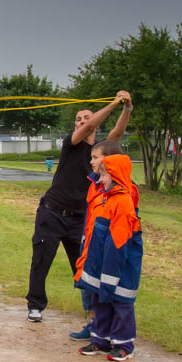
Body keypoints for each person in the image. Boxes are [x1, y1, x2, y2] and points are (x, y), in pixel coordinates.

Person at [26, 91, 133, 322]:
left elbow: (117, 133)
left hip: (79, 218)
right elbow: (89, 128)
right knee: (41, 261)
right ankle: (35, 305)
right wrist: (114, 102)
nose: (82, 122)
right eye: (78, 119)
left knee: (85, 267)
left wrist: (127, 108)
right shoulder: (71, 143)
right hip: (52, 213)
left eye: (86, 118)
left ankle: (93, 315)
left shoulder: (101, 152)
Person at [69, 140, 140, 340]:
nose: (91, 162)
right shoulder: (96, 183)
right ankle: (96, 327)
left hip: (108, 246)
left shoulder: (123, 192)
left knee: (110, 293)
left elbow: (122, 228)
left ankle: (114, 336)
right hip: (92, 243)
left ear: (110, 161)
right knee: (91, 288)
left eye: (95, 157)